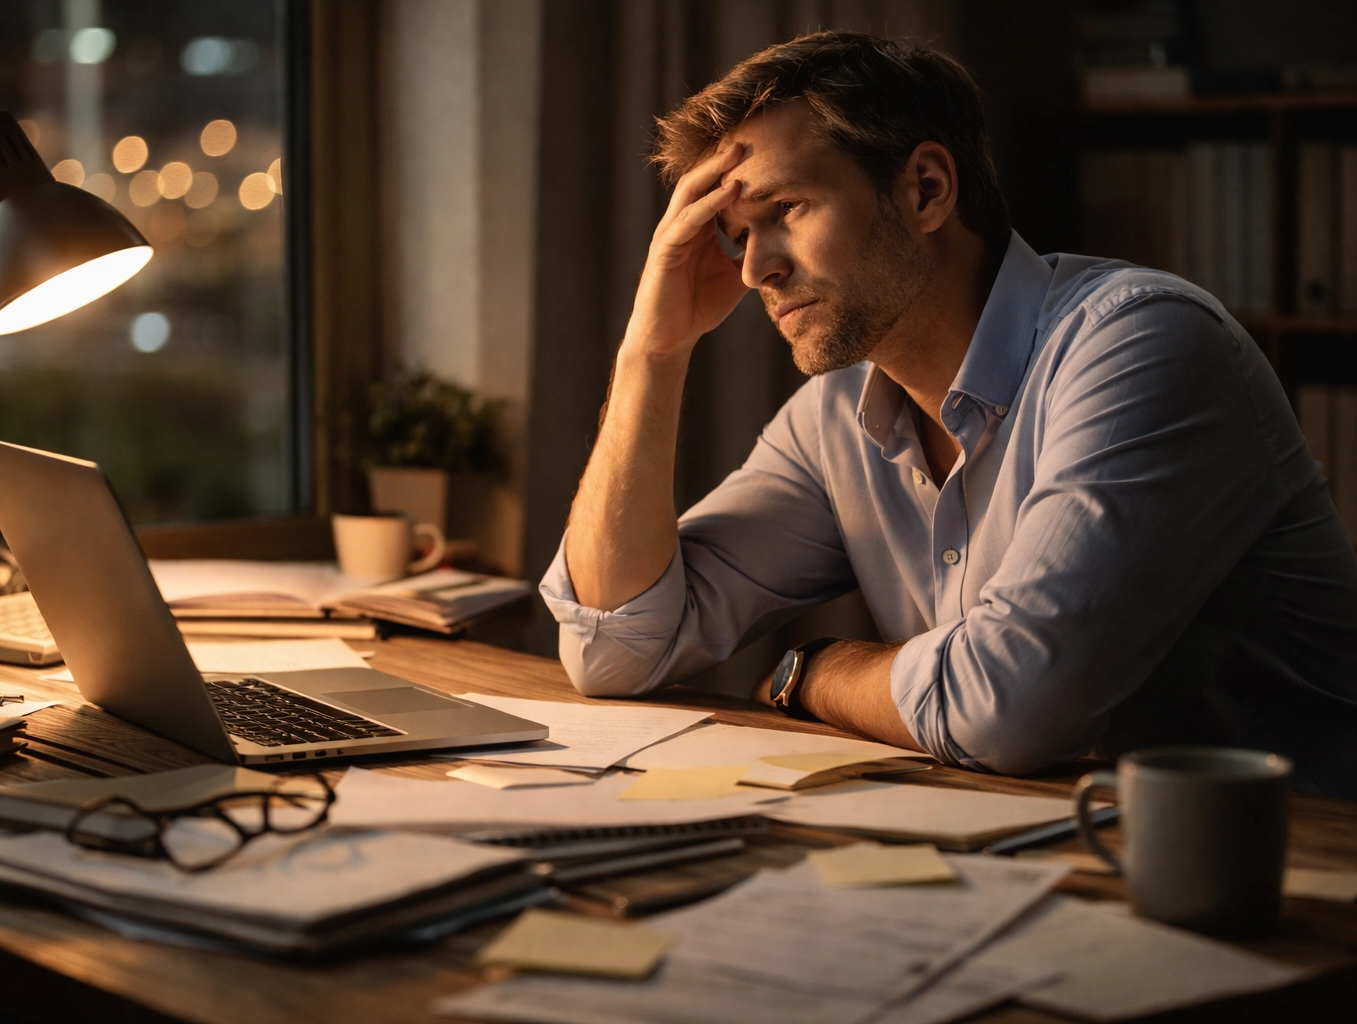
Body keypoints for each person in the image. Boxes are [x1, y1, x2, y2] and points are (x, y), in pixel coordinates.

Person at [538, 31, 1357, 798]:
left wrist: (813, 670)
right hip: (1053, 844)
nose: (755, 270)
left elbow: (1011, 706)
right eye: (735, 234)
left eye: (785, 209)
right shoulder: (834, 418)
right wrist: (653, 351)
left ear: (925, 190)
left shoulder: (1143, 345)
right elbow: (614, 648)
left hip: (1298, 860)